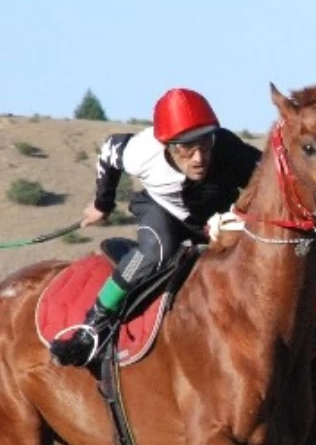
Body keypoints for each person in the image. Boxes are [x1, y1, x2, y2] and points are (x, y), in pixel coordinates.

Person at [51, 88, 262, 367]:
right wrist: (103, 203)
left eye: (205, 144)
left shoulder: (228, 147)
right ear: (168, 145)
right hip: (162, 211)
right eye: (187, 148)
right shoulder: (140, 152)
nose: (199, 157)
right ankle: (91, 327)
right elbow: (108, 151)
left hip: (216, 217)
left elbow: (270, 178)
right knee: (157, 250)